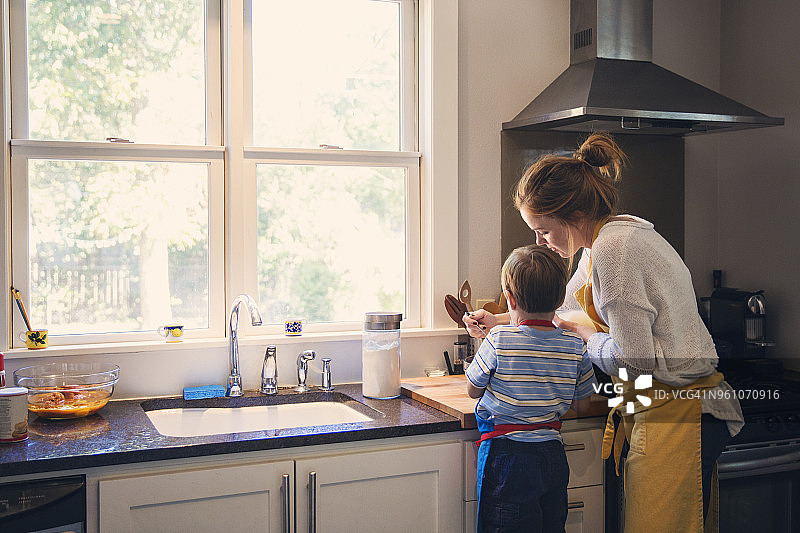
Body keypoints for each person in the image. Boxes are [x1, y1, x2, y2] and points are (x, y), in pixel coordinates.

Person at [465, 132, 743, 533]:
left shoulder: (615, 252)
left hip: (681, 412)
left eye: (544, 230)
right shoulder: (601, 244)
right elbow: (559, 311)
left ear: (573, 215)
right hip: (659, 406)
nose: (540, 242)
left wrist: (585, 337)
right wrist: (498, 321)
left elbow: (635, 361)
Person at [466, 244, 597, 533]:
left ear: (509, 299)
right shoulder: (576, 346)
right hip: (553, 455)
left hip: (507, 457)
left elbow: (472, 389)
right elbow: (583, 405)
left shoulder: (498, 338)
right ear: (561, 298)